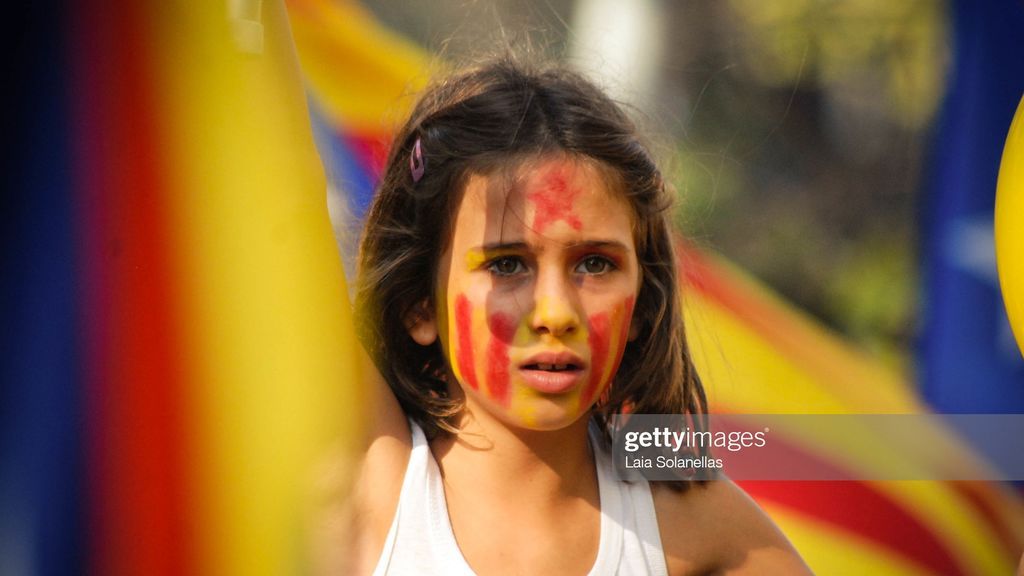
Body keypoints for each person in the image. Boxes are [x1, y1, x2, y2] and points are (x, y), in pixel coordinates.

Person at [348, 54, 811, 575]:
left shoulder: (690, 514)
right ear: (417, 303)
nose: (555, 313)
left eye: (595, 264)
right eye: (506, 264)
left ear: (643, 301)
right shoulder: (372, 479)